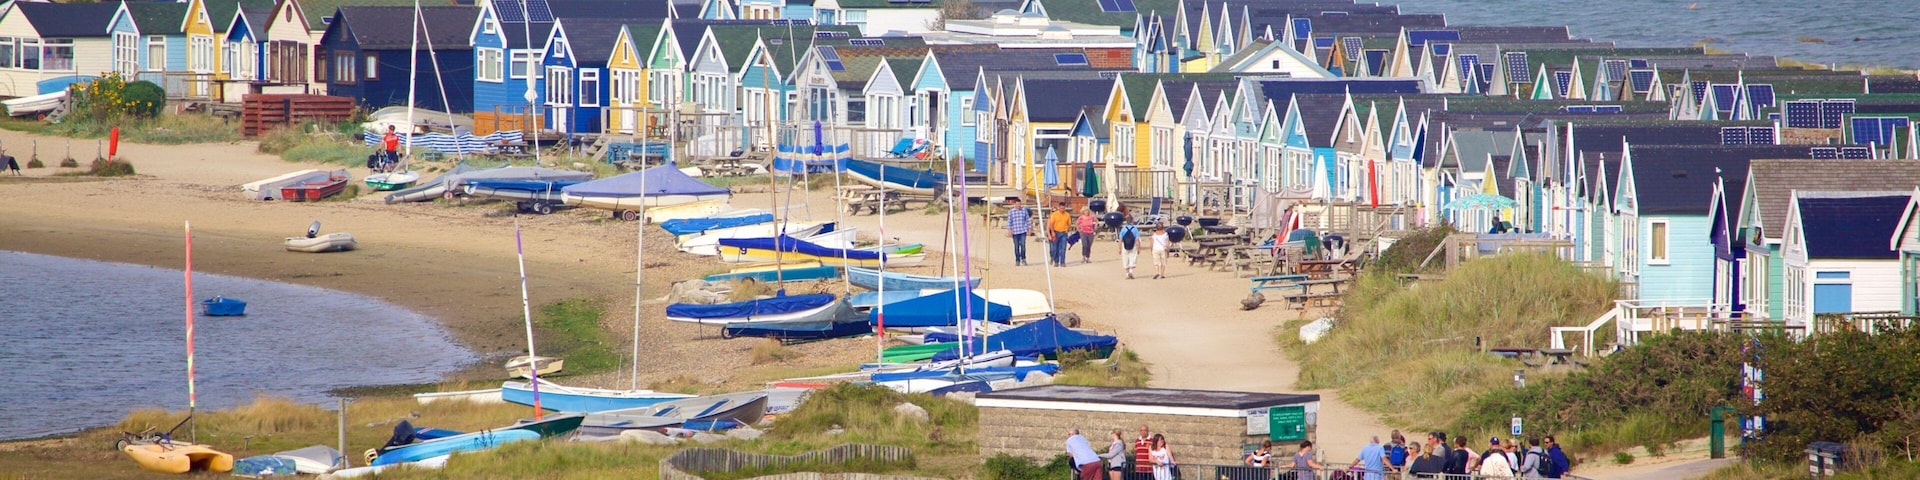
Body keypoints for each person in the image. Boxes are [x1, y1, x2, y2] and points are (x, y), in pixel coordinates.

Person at [1006, 198, 1030, 266]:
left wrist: (1029, 228)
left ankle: (1023, 259)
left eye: (1019, 204)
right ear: (1015, 204)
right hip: (1015, 231)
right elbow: (1009, 221)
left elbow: (1027, 220)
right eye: (1017, 204)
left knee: (1023, 245)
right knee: (1016, 246)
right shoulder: (1011, 212)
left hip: (1023, 231)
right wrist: (1009, 230)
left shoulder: (1024, 210)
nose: (1018, 205)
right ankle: (1017, 260)